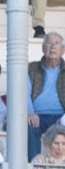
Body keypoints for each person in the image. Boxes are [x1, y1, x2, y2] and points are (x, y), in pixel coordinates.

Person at [29, 31, 65, 159]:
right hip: (37, 115)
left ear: (63, 50)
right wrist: (30, 112)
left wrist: (63, 119)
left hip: (60, 117)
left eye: (57, 44)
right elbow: (24, 92)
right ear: (43, 48)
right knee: (29, 127)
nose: (53, 47)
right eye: (49, 43)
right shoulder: (32, 68)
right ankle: (34, 166)